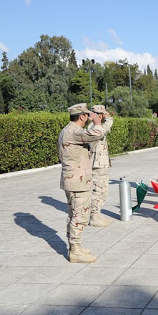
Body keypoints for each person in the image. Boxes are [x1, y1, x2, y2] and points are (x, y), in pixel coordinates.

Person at [58, 103, 105, 264]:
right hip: (78, 181)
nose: (88, 117)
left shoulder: (66, 130)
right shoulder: (75, 131)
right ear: (82, 116)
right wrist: (97, 121)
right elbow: (97, 134)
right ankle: (75, 251)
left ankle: (74, 247)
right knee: (80, 216)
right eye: (87, 115)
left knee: (73, 215)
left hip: (71, 179)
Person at [88, 105, 114, 227]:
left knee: (103, 189)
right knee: (98, 190)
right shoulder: (95, 128)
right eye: (103, 114)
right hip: (97, 164)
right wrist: (109, 118)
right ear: (99, 115)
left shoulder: (95, 127)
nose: (105, 116)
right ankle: (94, 216)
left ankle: (97, 214)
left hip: (100, 163)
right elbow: (107, 127)